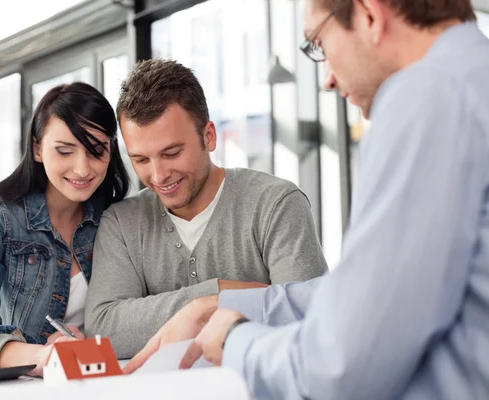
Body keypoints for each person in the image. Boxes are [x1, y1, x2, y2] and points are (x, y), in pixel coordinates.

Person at [125, 1, 489, 399]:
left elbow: (341, 365)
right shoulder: (470, 80)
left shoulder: (429, 98)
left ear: (369, 14)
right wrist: (220, 305)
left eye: (319, 42)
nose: (328, 78)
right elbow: (369, 292)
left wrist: (238, 342)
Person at [84, 59, 328, 359]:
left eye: (171, 153)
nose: (158, 177)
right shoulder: (121, 224)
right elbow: (105, 328)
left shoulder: (275, 204)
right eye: (141, 160)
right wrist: (219, 293)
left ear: (209, 136)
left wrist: (201, 308)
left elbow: (308, 318)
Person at [0, 82, 129, 376]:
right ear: (37, 148)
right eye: (64, 151)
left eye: (96, 151)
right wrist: (46, 356)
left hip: (106, 379)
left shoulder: (117, 218)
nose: (82, 169)